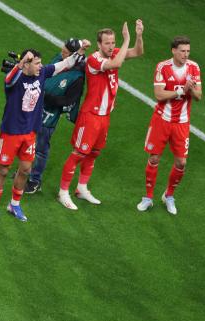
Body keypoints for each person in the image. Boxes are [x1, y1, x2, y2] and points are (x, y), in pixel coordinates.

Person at [0, 46, 87, 223]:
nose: (41, 66)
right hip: (11, 133)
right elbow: (8, 80)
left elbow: (64, 64)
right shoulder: (15, 80)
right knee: (3, 170)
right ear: (26, 65)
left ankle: (14, 204)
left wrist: (80, 52)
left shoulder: (41, 73)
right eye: (37, 63)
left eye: (41, 63)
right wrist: (21, 63)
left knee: (25, 169)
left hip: (30, 133)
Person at [57, 20, 144, 210]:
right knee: (79, 153)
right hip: (91, 115)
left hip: (105, 116)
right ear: (99, 44)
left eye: (113, 42)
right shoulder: (95, 60)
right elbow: (117, 62)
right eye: (107, 43)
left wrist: (138, 36)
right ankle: (63, 192)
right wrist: (127, 38)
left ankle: (81, 188)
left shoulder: (113, 53)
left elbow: (138, 52)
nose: (111, 46)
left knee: (94, 153)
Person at [137, 36, 201, 215]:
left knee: (181, 162)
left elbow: (199, 96)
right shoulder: (162, 67)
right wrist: (181, 90)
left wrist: (192, 89)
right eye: (182, 51)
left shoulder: (194, 68)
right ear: (173, 51)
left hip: (181, 123)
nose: (185, 55)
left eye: (188, 51)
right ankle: (148, 197)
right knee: (154, 158)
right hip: (161, 120)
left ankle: (169, 195)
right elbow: (158, 95)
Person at [25, 38, 88, 194]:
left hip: (48, 116)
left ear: (74, 55)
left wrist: (45, 96)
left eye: (66, 52)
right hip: (34, 109)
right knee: (27, 142)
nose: (62, 53)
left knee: (40, 149)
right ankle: (25, 170)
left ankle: (35, 180)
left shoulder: (78, 77)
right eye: (62, 50)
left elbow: (68, 101)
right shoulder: (60, 59)